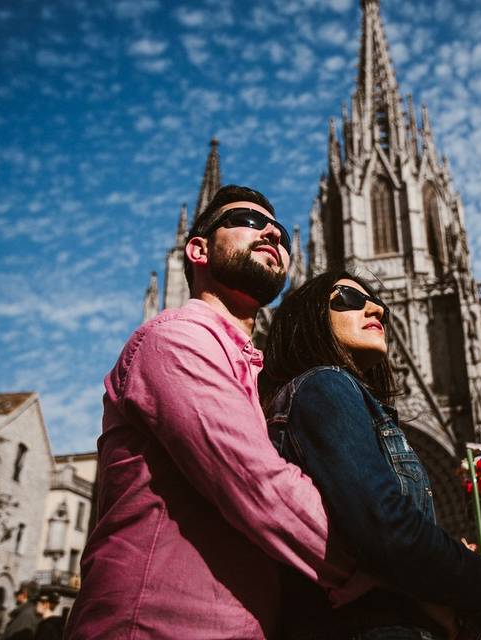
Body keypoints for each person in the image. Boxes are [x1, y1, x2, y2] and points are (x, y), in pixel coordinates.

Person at [65, 185, 360, 639]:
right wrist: (402, 566)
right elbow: (260, 487)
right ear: (198, 248)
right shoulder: (176, 340)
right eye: (246, 221)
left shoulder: (248, 367)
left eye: (278, 230)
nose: (270, 234)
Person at [262, 271, 481, 639]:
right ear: (311, 318)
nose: (375, 308)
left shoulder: (345, 397)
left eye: (378, 304)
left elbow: (370, 525)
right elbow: (384, 526)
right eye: (348, 298)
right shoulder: (325, 385)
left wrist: (439, 554)